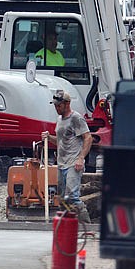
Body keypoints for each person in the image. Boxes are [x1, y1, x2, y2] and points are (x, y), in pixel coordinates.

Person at [42, 90, 92, 223]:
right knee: (63, 198)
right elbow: (60, 141)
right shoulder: (59, 119)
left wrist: (81, 158)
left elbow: (88, 138)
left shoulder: (76, 118)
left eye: (59, 105)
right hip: (62, 163)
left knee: (72, 197)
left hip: (73, 163)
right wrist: (48, 138)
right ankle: (66, 225)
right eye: (55, 105)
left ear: (67, 103)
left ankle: (86, 225)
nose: (57, 108)